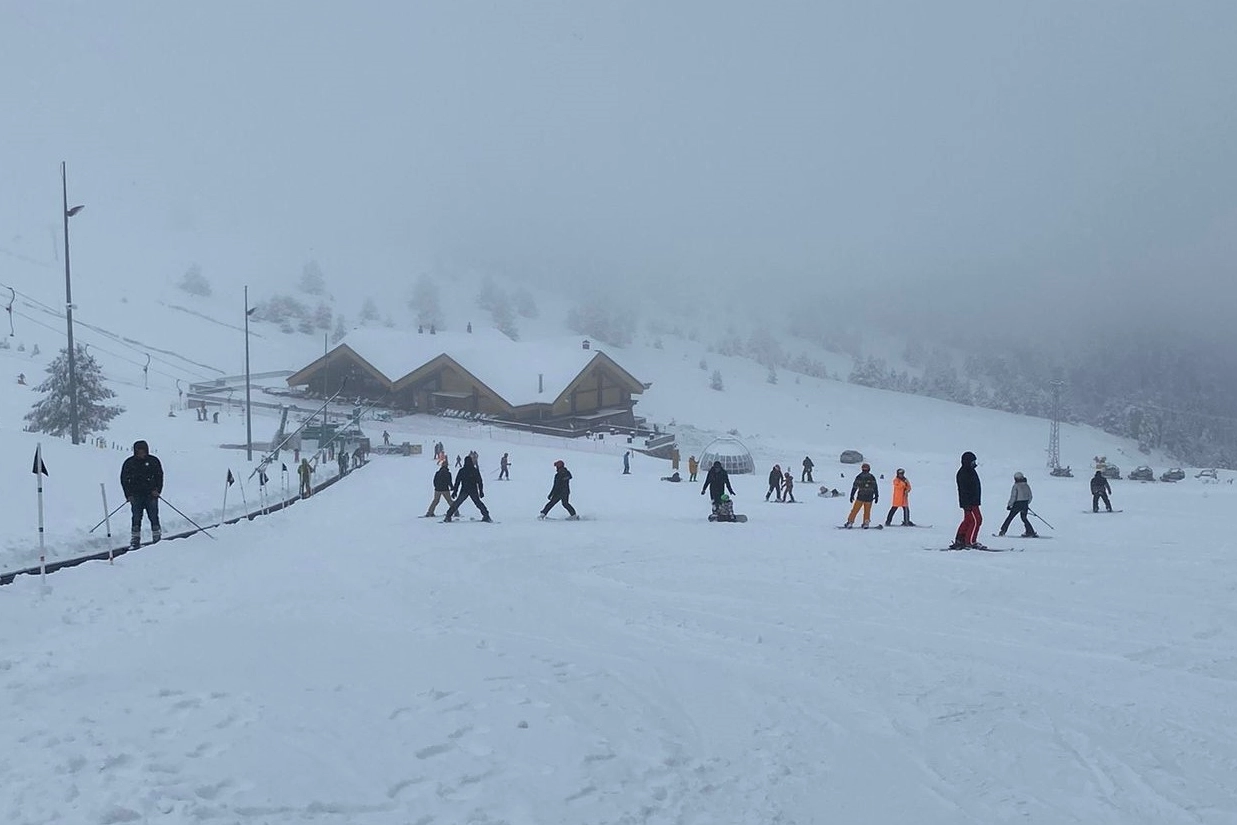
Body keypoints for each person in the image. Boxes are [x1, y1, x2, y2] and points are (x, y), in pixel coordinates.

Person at [120, 440, 163, 549]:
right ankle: (135, 539)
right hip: (136, 495)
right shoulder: (129, 463)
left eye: (143, 451)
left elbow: (159, 476)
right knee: (136, 517)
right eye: (138, 451)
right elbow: (124, 480)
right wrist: (128, 494)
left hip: (151, 495)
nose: (141, 453)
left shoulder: (153, 461)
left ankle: (157, 536)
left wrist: (158, 490)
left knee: (153, 516)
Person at [950, 451, 983, 549]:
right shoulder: (963, 473)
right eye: (972, 462)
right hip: (969, 502)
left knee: (968, 520)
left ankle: (960, 539)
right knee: (976, 520)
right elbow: (963, 490)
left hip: (973, 501)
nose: (974, 464)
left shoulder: (970, 471)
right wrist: (966, 504)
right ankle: (970, 541)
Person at [444, 454, 491, 522]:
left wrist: (455, 491)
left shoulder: (462, 471)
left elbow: (457, 482)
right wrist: (481, 491)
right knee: (478, 503)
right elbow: (480, 482)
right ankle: (486, 515)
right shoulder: (474, 470)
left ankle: (448, 516)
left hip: (464, 490)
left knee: (457, 503)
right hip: (473, 490)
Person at [999, 472, 1036, 537]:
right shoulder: (1026, 485)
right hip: (1025, 504)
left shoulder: (1016, 486)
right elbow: (1030, 496)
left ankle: (1003, 531)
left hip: (1017, 504)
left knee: (1010, 517)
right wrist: (1026, 504)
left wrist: (1009, 505)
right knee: (1024, 518)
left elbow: (1013, 496)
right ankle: (1030, 532)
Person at [845, 463, 879, 527]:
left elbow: (855, 487)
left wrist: (852, 495)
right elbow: (875, 487)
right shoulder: (872, 477)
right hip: (869, 497)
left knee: (855, 510)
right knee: (867, 511)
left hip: (861, 496)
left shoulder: (859, 476)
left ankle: (850, 522)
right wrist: (877, 495)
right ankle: (866, 523)